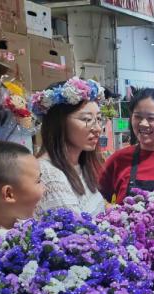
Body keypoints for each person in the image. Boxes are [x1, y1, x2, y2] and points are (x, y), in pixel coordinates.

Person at [30, 77, 106, 217]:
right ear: (58, 122)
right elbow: (77, 228)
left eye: (99, 119)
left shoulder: (80, 165)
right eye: (87, 119)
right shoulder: (49, 175)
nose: (97, 128)